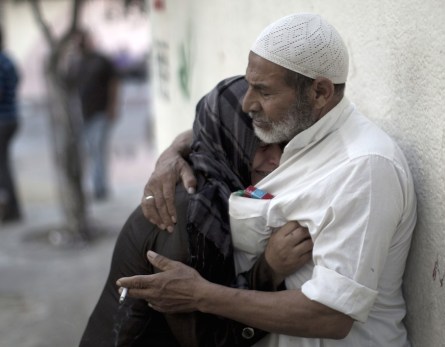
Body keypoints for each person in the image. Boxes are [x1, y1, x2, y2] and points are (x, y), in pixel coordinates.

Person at [124, 13, 418, 346]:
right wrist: (172, 154)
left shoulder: (364, 169)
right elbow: (217, 127)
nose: (248, 103)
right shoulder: (298, 131)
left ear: (320, 92)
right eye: (249, 85)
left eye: (263, 92)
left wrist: (200, 295)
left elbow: (331, 315)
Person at [79, 76, 312, 347]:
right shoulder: (187, 215)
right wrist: (268, 270)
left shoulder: (214, 171)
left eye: (281, 144)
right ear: (230, 142)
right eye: (261, 147)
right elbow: (207, 340)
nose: (277, 159)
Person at [72, 30, 119, 200]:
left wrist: (112, 107)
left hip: (101, 112)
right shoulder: (78, 62)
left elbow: (114, 83)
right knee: (91, 150)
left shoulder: (101, 60)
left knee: (98, 150)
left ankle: (100, 188)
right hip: (86, 114)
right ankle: (97, 185)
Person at [0, 26, 21, 223]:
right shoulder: (8, 60)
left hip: (3, 119)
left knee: (2, 166)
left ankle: (11, 209)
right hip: (11, 116)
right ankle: (11, 207)